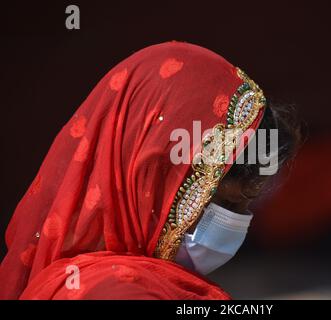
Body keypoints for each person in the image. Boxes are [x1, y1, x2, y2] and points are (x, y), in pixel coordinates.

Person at [0, 42, 302, 299]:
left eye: (246, 206)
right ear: (150, 179)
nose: (235, 225)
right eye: (226, 204)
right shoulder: (117, 291)